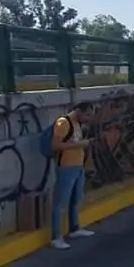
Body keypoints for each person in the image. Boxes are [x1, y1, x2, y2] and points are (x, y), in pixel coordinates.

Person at [50, 102, 95, 250]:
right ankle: (56, 237)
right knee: (60, 202)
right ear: (78, 111)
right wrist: (81, 144)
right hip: (66, 167)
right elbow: (56, 146)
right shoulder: (63, 123)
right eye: (87, 114)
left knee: (76, 199)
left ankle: (74, 228)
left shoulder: (77, 124)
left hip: (78, 166)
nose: (88, 118)